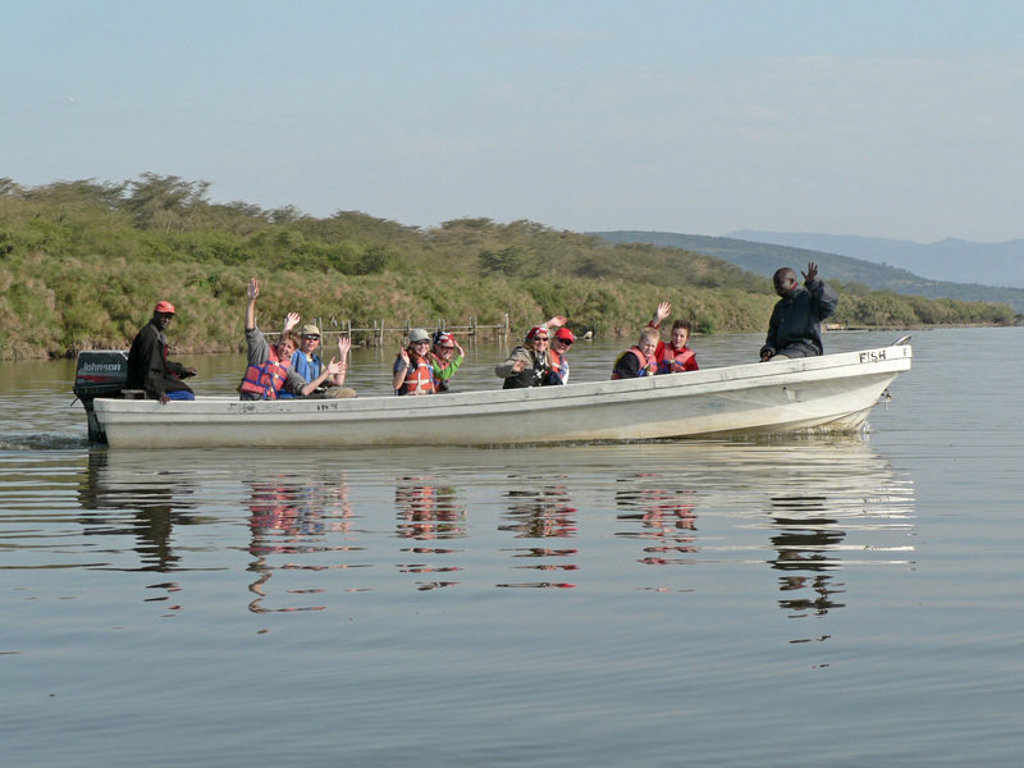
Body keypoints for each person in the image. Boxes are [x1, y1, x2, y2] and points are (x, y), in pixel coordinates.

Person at [238, 277, 312, 400]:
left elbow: (303, 389)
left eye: (289, 348)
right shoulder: (261, 351)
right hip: (250, 400)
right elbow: (250, 328)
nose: (285, 349)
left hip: (270, 402)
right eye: (283, 345)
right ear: (278, 343)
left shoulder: (288, 367)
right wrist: (251, 301)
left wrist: (289, 326)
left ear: (293, 351)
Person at [759, 261, 838, 361]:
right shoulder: (779, 307)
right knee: (768, 362)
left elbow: (830, 301)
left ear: (792, 281)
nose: (778, 291)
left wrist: (814, 284)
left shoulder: (809, 299)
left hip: (807, 349)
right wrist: (769, 350)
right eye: (776, 288)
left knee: (777, 361)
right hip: (783, 351)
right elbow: (772, 335)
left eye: (781, 287)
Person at [126, 300, 197, 404]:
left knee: (185, 390)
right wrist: (159, 392)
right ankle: (155, 401)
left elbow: (161, 364)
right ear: (155, 315)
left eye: (169, 317)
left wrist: (182, 370)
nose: (166, 320)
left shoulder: (157, 334)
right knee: (187, 395)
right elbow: (149, 369)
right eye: (163, 316)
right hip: (142, 382)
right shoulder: (149, 336)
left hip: (151, 379)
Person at [279, 321, 355, 399]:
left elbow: (338, 382)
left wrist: (343, 354)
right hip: (297, 395)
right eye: (308, 338)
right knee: (325, 397)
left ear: (318, 342)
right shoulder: (293, 353)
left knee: (349, 393)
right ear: (301, 339)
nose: (311, 341)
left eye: (315, 339)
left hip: (313, 395)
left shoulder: (317, 362)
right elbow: (283, 345)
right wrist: (288, 325)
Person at [495, 325, 556, 389]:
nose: (541, 342)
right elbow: (498, 370)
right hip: (515, 395)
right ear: (530, 341)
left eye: (545, 339)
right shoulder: (523, 354)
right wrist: (512, 368)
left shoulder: (545, 356)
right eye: (537, 339)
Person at [648, 301, 699, 373]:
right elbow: (649, 336)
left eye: (682, 336)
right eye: (675, 335)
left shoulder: (690, 359)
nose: (678, 338)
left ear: (687, 338)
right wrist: (658, 318)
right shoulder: (661, 348)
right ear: (671, 334)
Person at [393, 328, 437, 395]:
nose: (423, 346)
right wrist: (406, 365)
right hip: (409, 401)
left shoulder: (428, 359)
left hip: (427, 399)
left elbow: (432, 384)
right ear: (411, 344)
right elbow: (396, 385)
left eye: (426, 343)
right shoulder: (404, 359)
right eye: (419, 343)